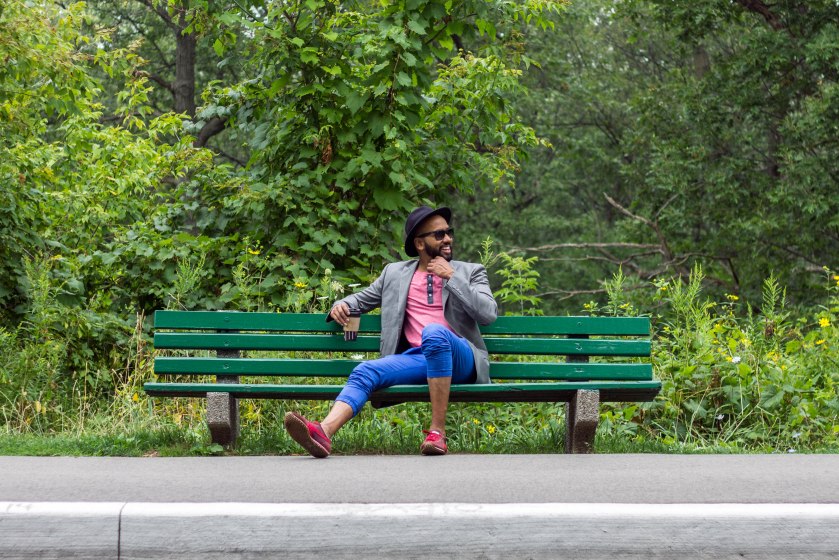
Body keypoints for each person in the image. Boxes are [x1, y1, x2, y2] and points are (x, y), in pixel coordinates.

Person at [284, 205, 498, 457]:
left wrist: (451, 276)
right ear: (420, 244)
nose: (448, 238)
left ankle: (437, 433)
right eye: (439, 235)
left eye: (449, 232)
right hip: (421, 358)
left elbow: (488, 314)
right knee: (365, 370)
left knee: (434, 333)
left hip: (461, 357)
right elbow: (362, 299)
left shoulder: (470, 272)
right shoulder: (395, 273)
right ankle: (323, 432)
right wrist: (341, 305)